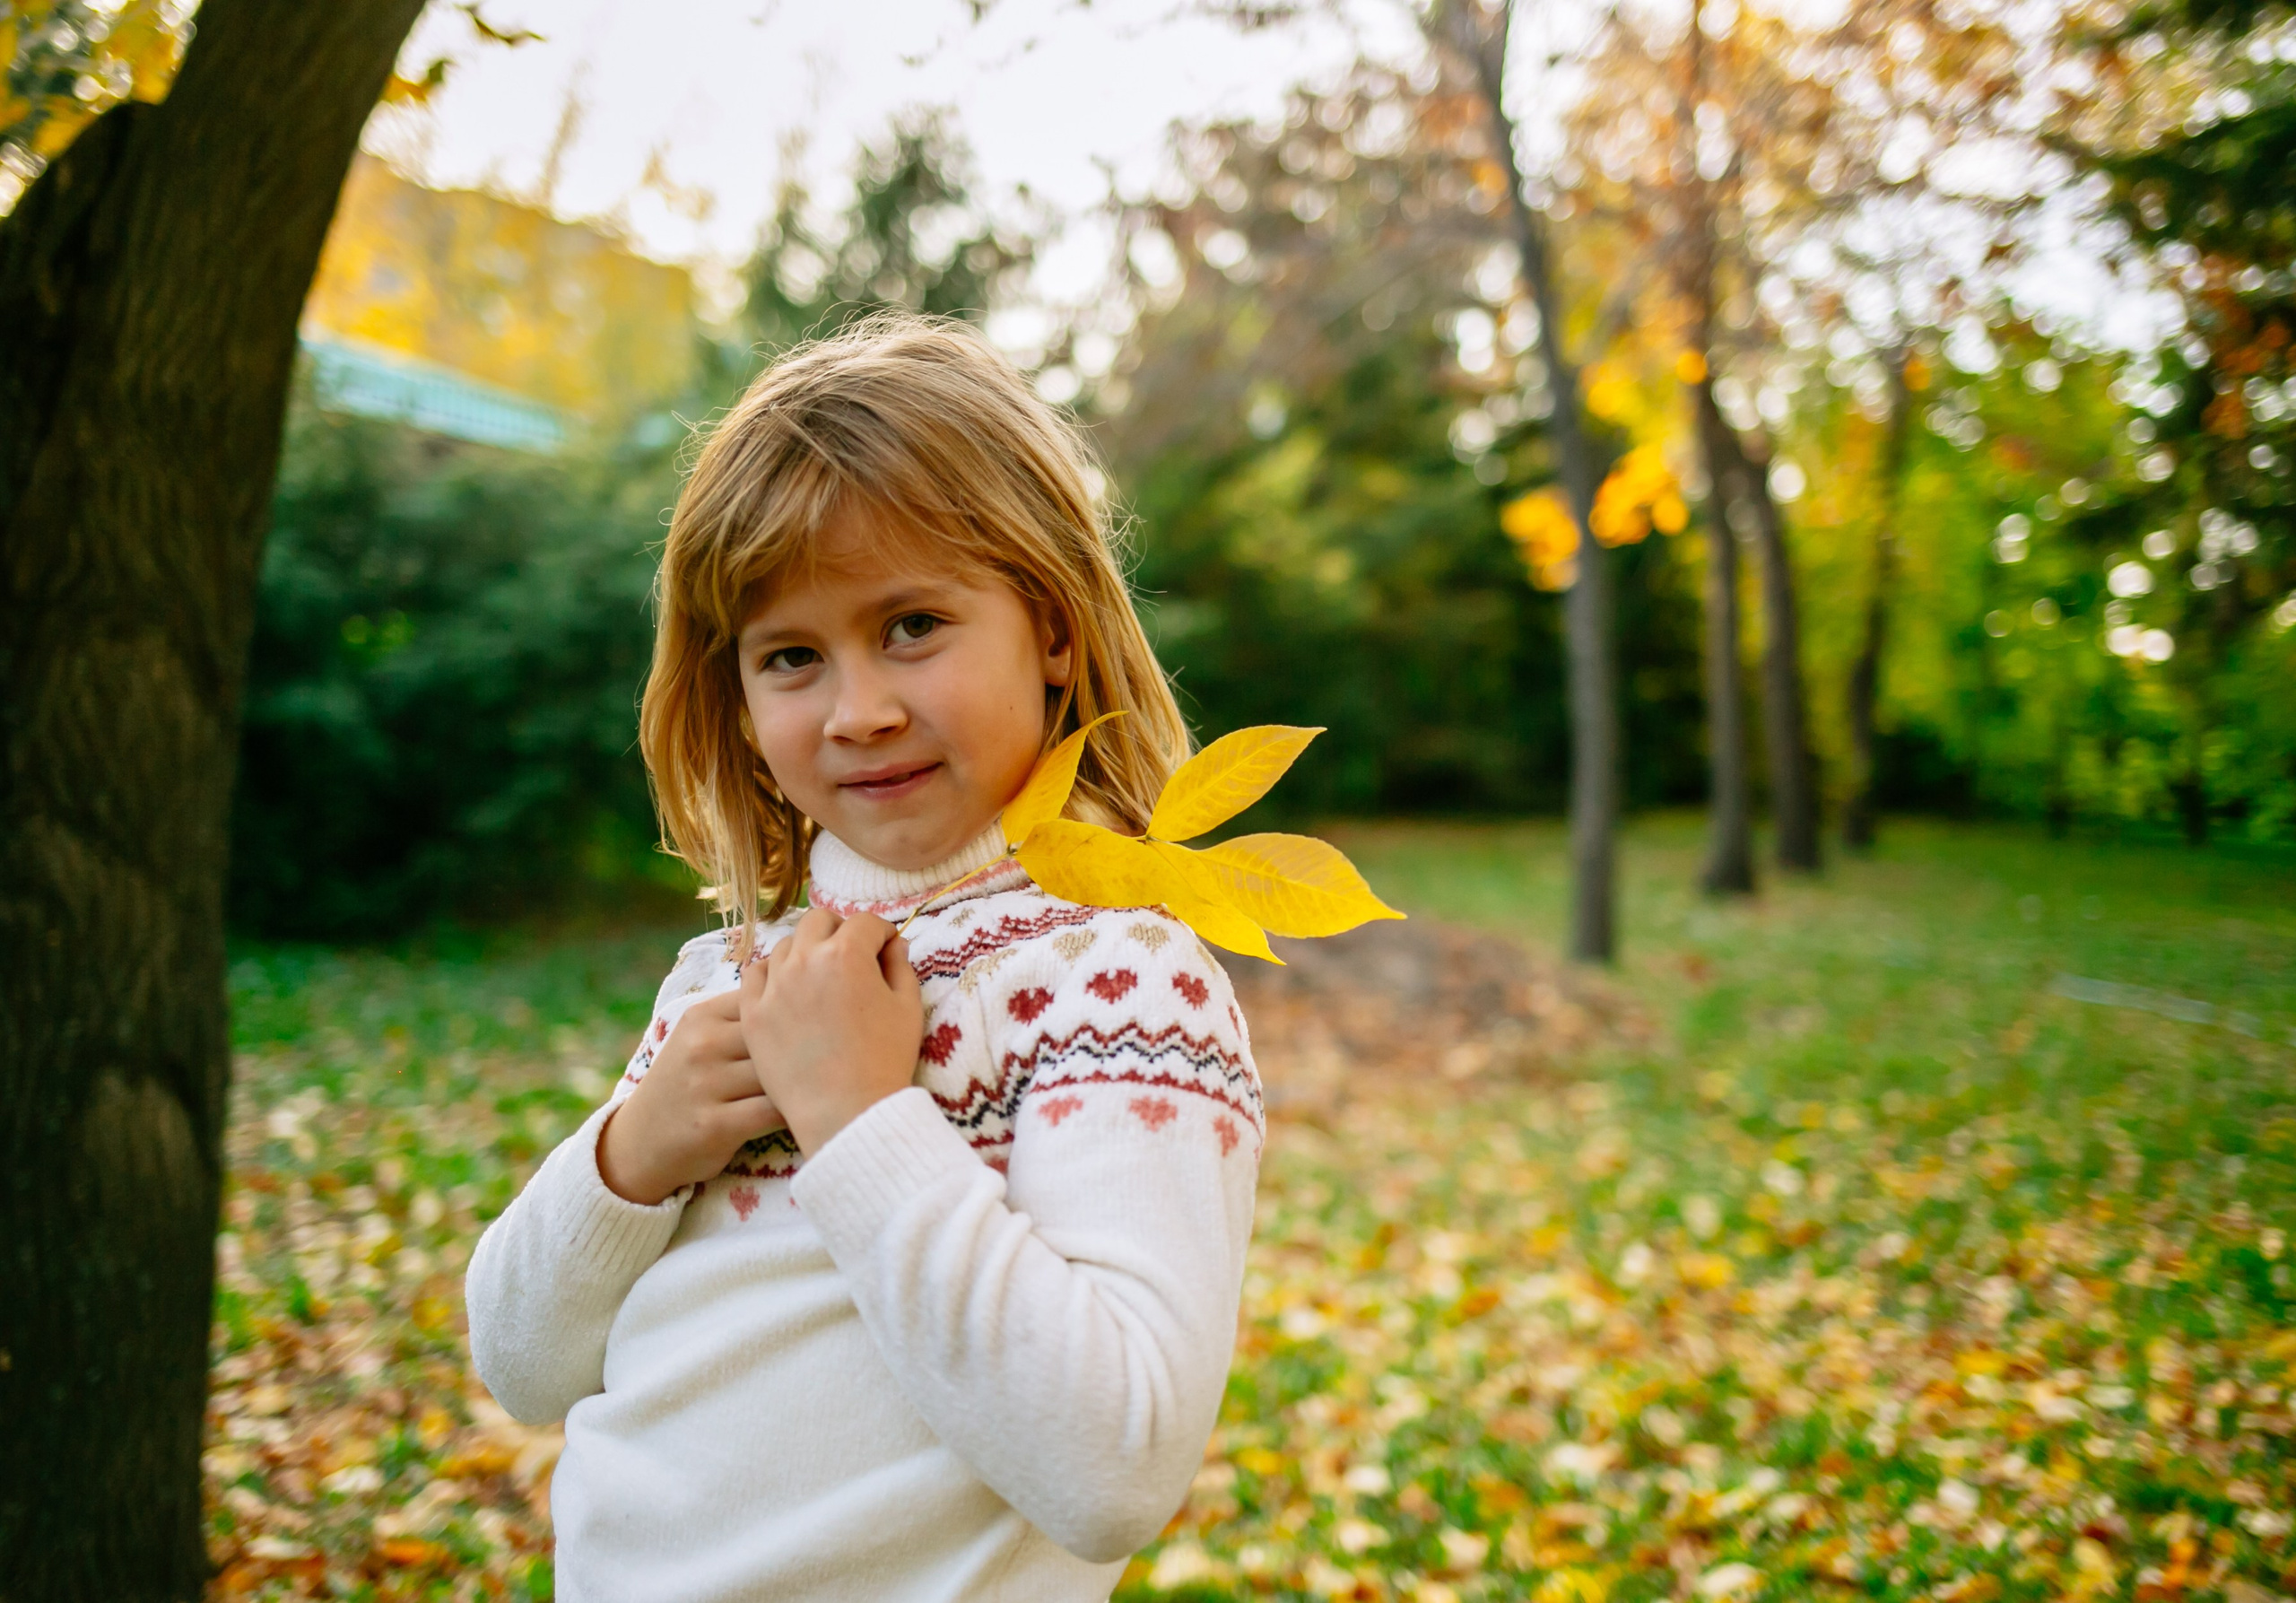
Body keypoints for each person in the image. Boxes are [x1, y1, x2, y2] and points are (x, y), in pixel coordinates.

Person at [465, 312, 1263, 1601]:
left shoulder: (1113, 979)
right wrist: (632, 1153)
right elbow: (521, 1361)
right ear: (734, 695)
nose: (860, 708)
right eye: (793, 656)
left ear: (1052, 629)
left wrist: (861, 1119)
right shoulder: (723, 975)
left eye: (911, 627)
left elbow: (1114, 1467)